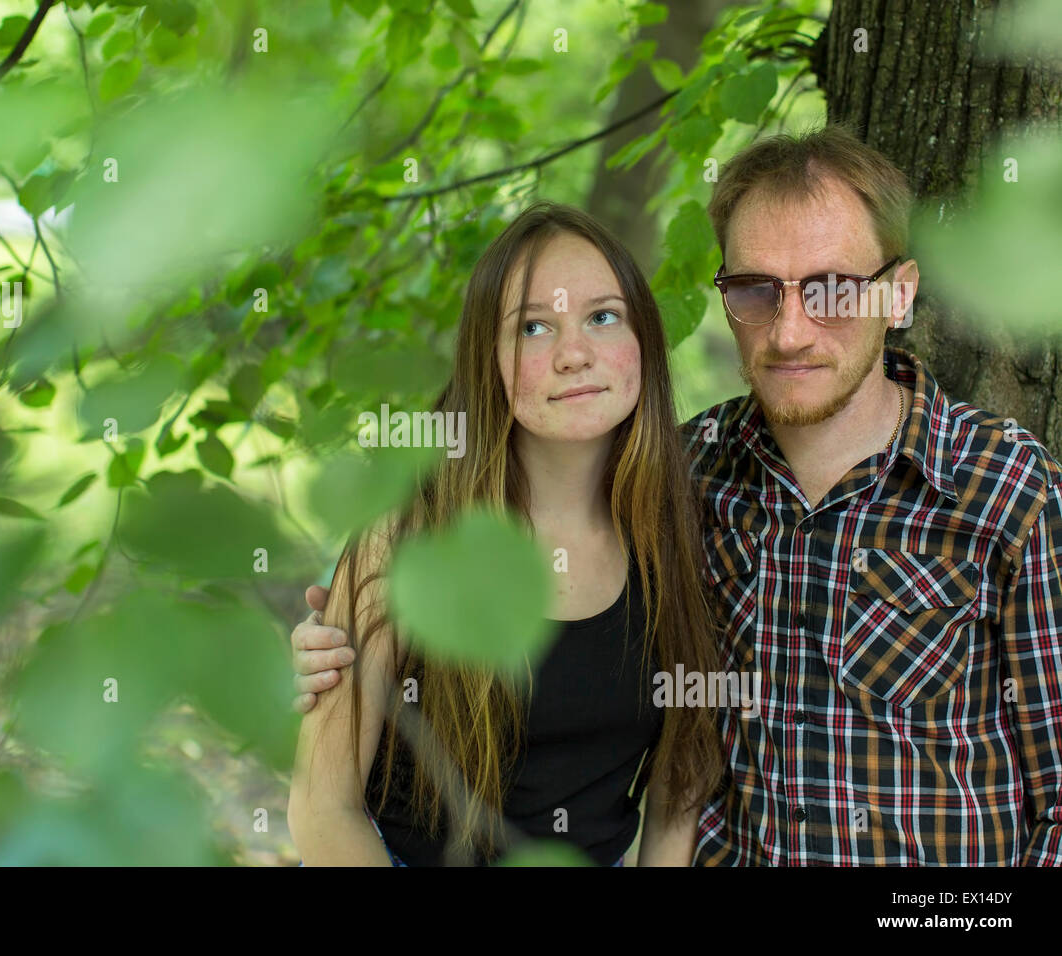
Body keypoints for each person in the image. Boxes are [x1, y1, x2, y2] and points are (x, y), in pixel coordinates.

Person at [293, 125, 1062, 865]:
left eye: (831, 290)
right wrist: (331, 644)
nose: (790, 331)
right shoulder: (687, 480)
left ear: (899, 297)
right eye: (757, 290)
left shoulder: (1004, 492)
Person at [286, 201, 725, 866]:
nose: (575, 354)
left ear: (644, 339)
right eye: (533, 329)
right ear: (485, 359)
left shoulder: (676, 528)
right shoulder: (408, 532)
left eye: (602, 317)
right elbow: (323, 808)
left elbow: (678, 789)